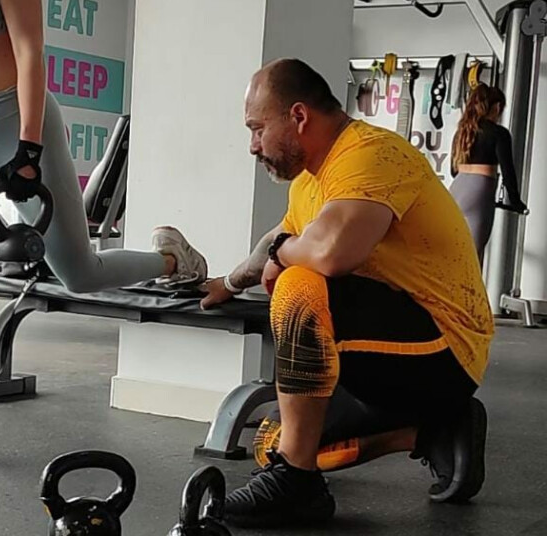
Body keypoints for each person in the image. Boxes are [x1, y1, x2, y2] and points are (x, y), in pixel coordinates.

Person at [0, 0, 207, 468]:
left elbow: (30, 50)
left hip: (14, 119)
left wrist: (30, 147)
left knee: (78, 272)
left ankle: (171, 258)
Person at [202, 59, 493, 529]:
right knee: (272, 441)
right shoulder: (308, 181)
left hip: (444, 348)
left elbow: (334, 253)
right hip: (382, 357)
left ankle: (297, 484)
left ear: (299, 116)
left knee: (298, 283)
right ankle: (427, 433)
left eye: (257, 129)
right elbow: (275, 240)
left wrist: (282, 253)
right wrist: (228, 283)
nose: (253, 145)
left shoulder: (371, 153)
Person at [450, 83, 528, 263]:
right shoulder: (499, 134)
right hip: (480, 191)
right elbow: (508, 172)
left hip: (456, 190)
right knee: (473, 259)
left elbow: (453, 171)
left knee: (454, 255)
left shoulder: (462, 132)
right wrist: (516, 202)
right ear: (497, 107)